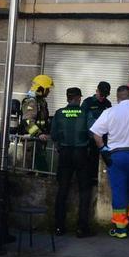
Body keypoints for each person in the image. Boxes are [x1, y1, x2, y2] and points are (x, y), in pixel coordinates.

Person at [89, 85, 129, 238]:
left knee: (118, 191)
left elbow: (96, 133)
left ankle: (120, 228)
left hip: (116, 156)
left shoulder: (110, 112)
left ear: (118, 97)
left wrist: (103, 150)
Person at [51, 87, 94, 238]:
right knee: (84, 190)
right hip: (81, 153)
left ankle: (59, 227)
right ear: (78, 98)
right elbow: (92, 131)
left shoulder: (59, 113)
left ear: (68, 97)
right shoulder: (85, 113)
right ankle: (82, 228)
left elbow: (54, 135)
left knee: (62, 190)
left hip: (65, 153)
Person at [81, 81, 112, 188]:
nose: (103, 97)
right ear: (97, 91)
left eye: (105, 95)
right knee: (88, 166)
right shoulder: (88, 103)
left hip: (103, 141)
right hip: (89, 141)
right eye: (101, 94)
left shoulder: (108, 104)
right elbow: (82, 121)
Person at [19, 75, 53, 171]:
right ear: (41, 88)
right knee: (31, 169)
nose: (49, 91)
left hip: (38, 141)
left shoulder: (41, 102)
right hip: (32, 141)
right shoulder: (32, 102)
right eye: (47, 89)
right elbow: (28, 121)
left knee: (41, 168)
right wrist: (38, 133)